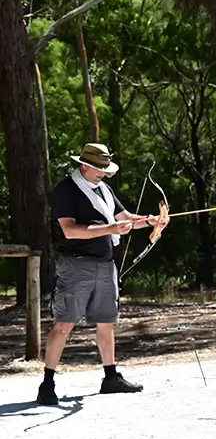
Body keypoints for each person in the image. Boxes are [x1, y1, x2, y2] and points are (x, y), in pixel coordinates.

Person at [37, 143, 167, 406]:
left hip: (105, 264)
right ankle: (47, 383)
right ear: (84, 166)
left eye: (105, 169)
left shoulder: (104, 189)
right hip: (75, 265)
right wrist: (110, 228)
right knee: (64, 323)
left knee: (106, 322)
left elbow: (124, 218)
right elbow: (70, 230)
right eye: (99, 169)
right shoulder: (66, 190)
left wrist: (150, 221)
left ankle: (110, 377)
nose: (104, 174)